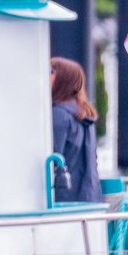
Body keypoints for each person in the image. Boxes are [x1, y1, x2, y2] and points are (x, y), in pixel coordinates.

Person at [47, 57, 100, 205]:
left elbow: (49, 157)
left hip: (64, 200)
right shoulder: (86, 116)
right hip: (90, 198)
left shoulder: (59, 115)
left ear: (62, 79)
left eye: (50, 71)